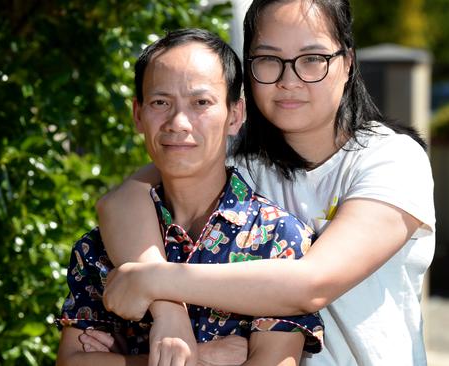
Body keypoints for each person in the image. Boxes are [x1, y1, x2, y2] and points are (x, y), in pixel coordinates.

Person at [99, 0, 436, 364]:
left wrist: (154, 281)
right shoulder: (238, 161)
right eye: (269, 60)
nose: (288, 80)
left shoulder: (390, 159)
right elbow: (122, 201)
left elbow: (313, 284)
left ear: (348, 63)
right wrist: (170, 314)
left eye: (312, 59)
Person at [55, 28, 324, 366]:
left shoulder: (276, 240)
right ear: (137, 113)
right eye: (160, 103)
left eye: (201, 103)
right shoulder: (103, 245)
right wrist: (204, 357)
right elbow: (72, 362)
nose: (178, 122)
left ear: (235, 114)